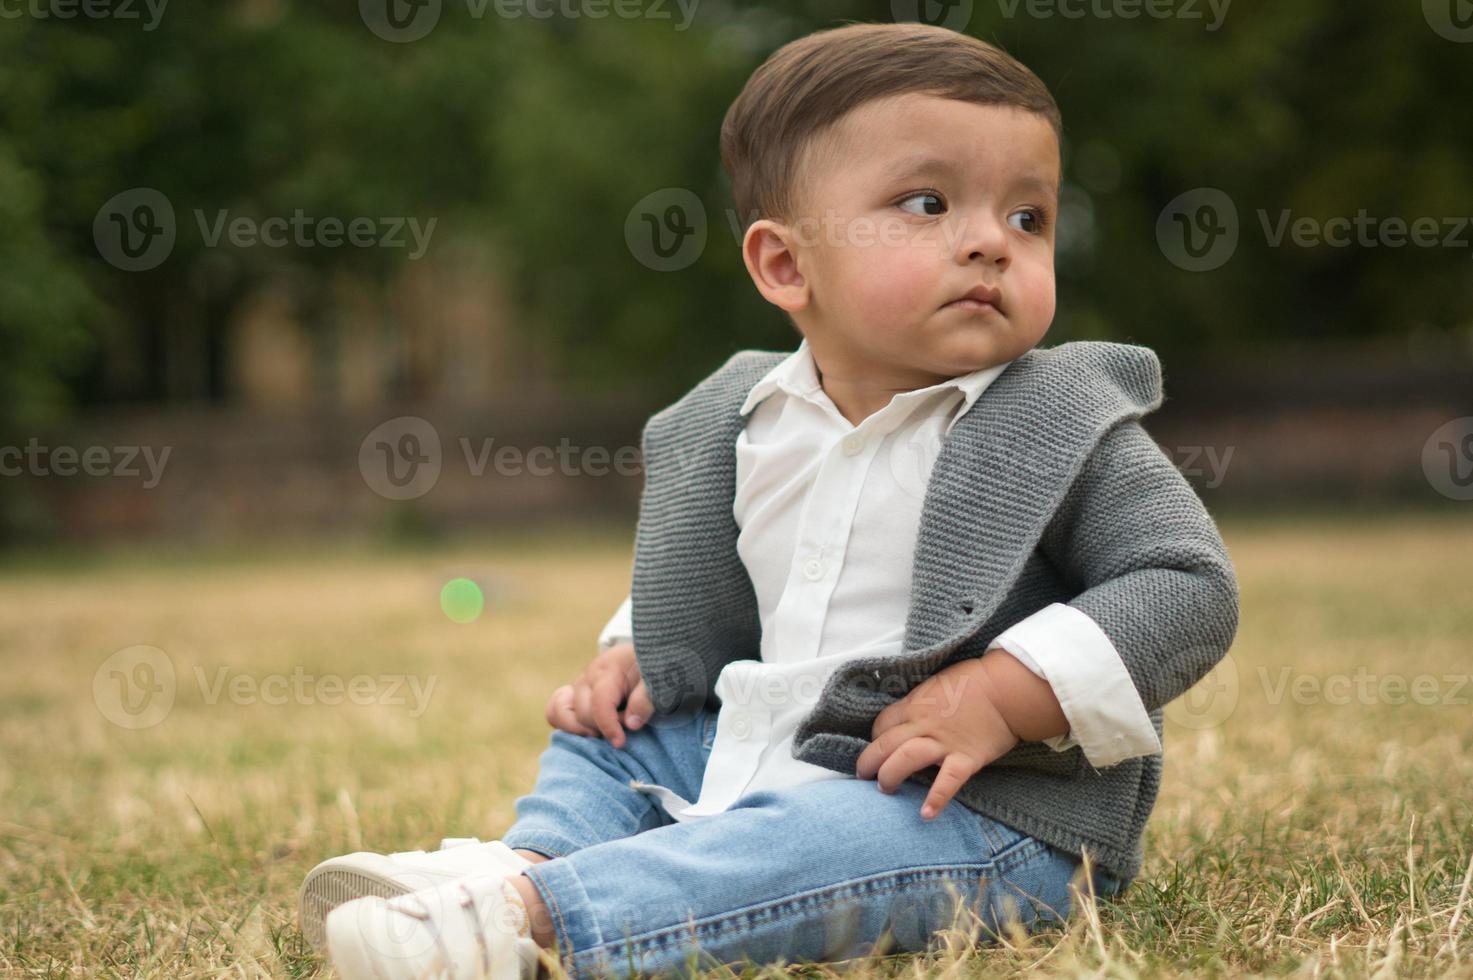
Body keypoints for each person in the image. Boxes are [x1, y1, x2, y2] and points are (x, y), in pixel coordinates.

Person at [301, 20, 1240, 979]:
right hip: (764, 741)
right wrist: (638, 648)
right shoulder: (738, 418)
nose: (989, 244)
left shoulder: (1062, 419)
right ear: (786, 265)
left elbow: (1184, 584)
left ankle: (531, 921)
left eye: (1027, 216)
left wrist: (1006, 695)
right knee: (623, 730)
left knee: (810, 846)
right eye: (928, 203)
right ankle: (532, 855)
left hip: (971, 806)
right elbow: (716, 584)